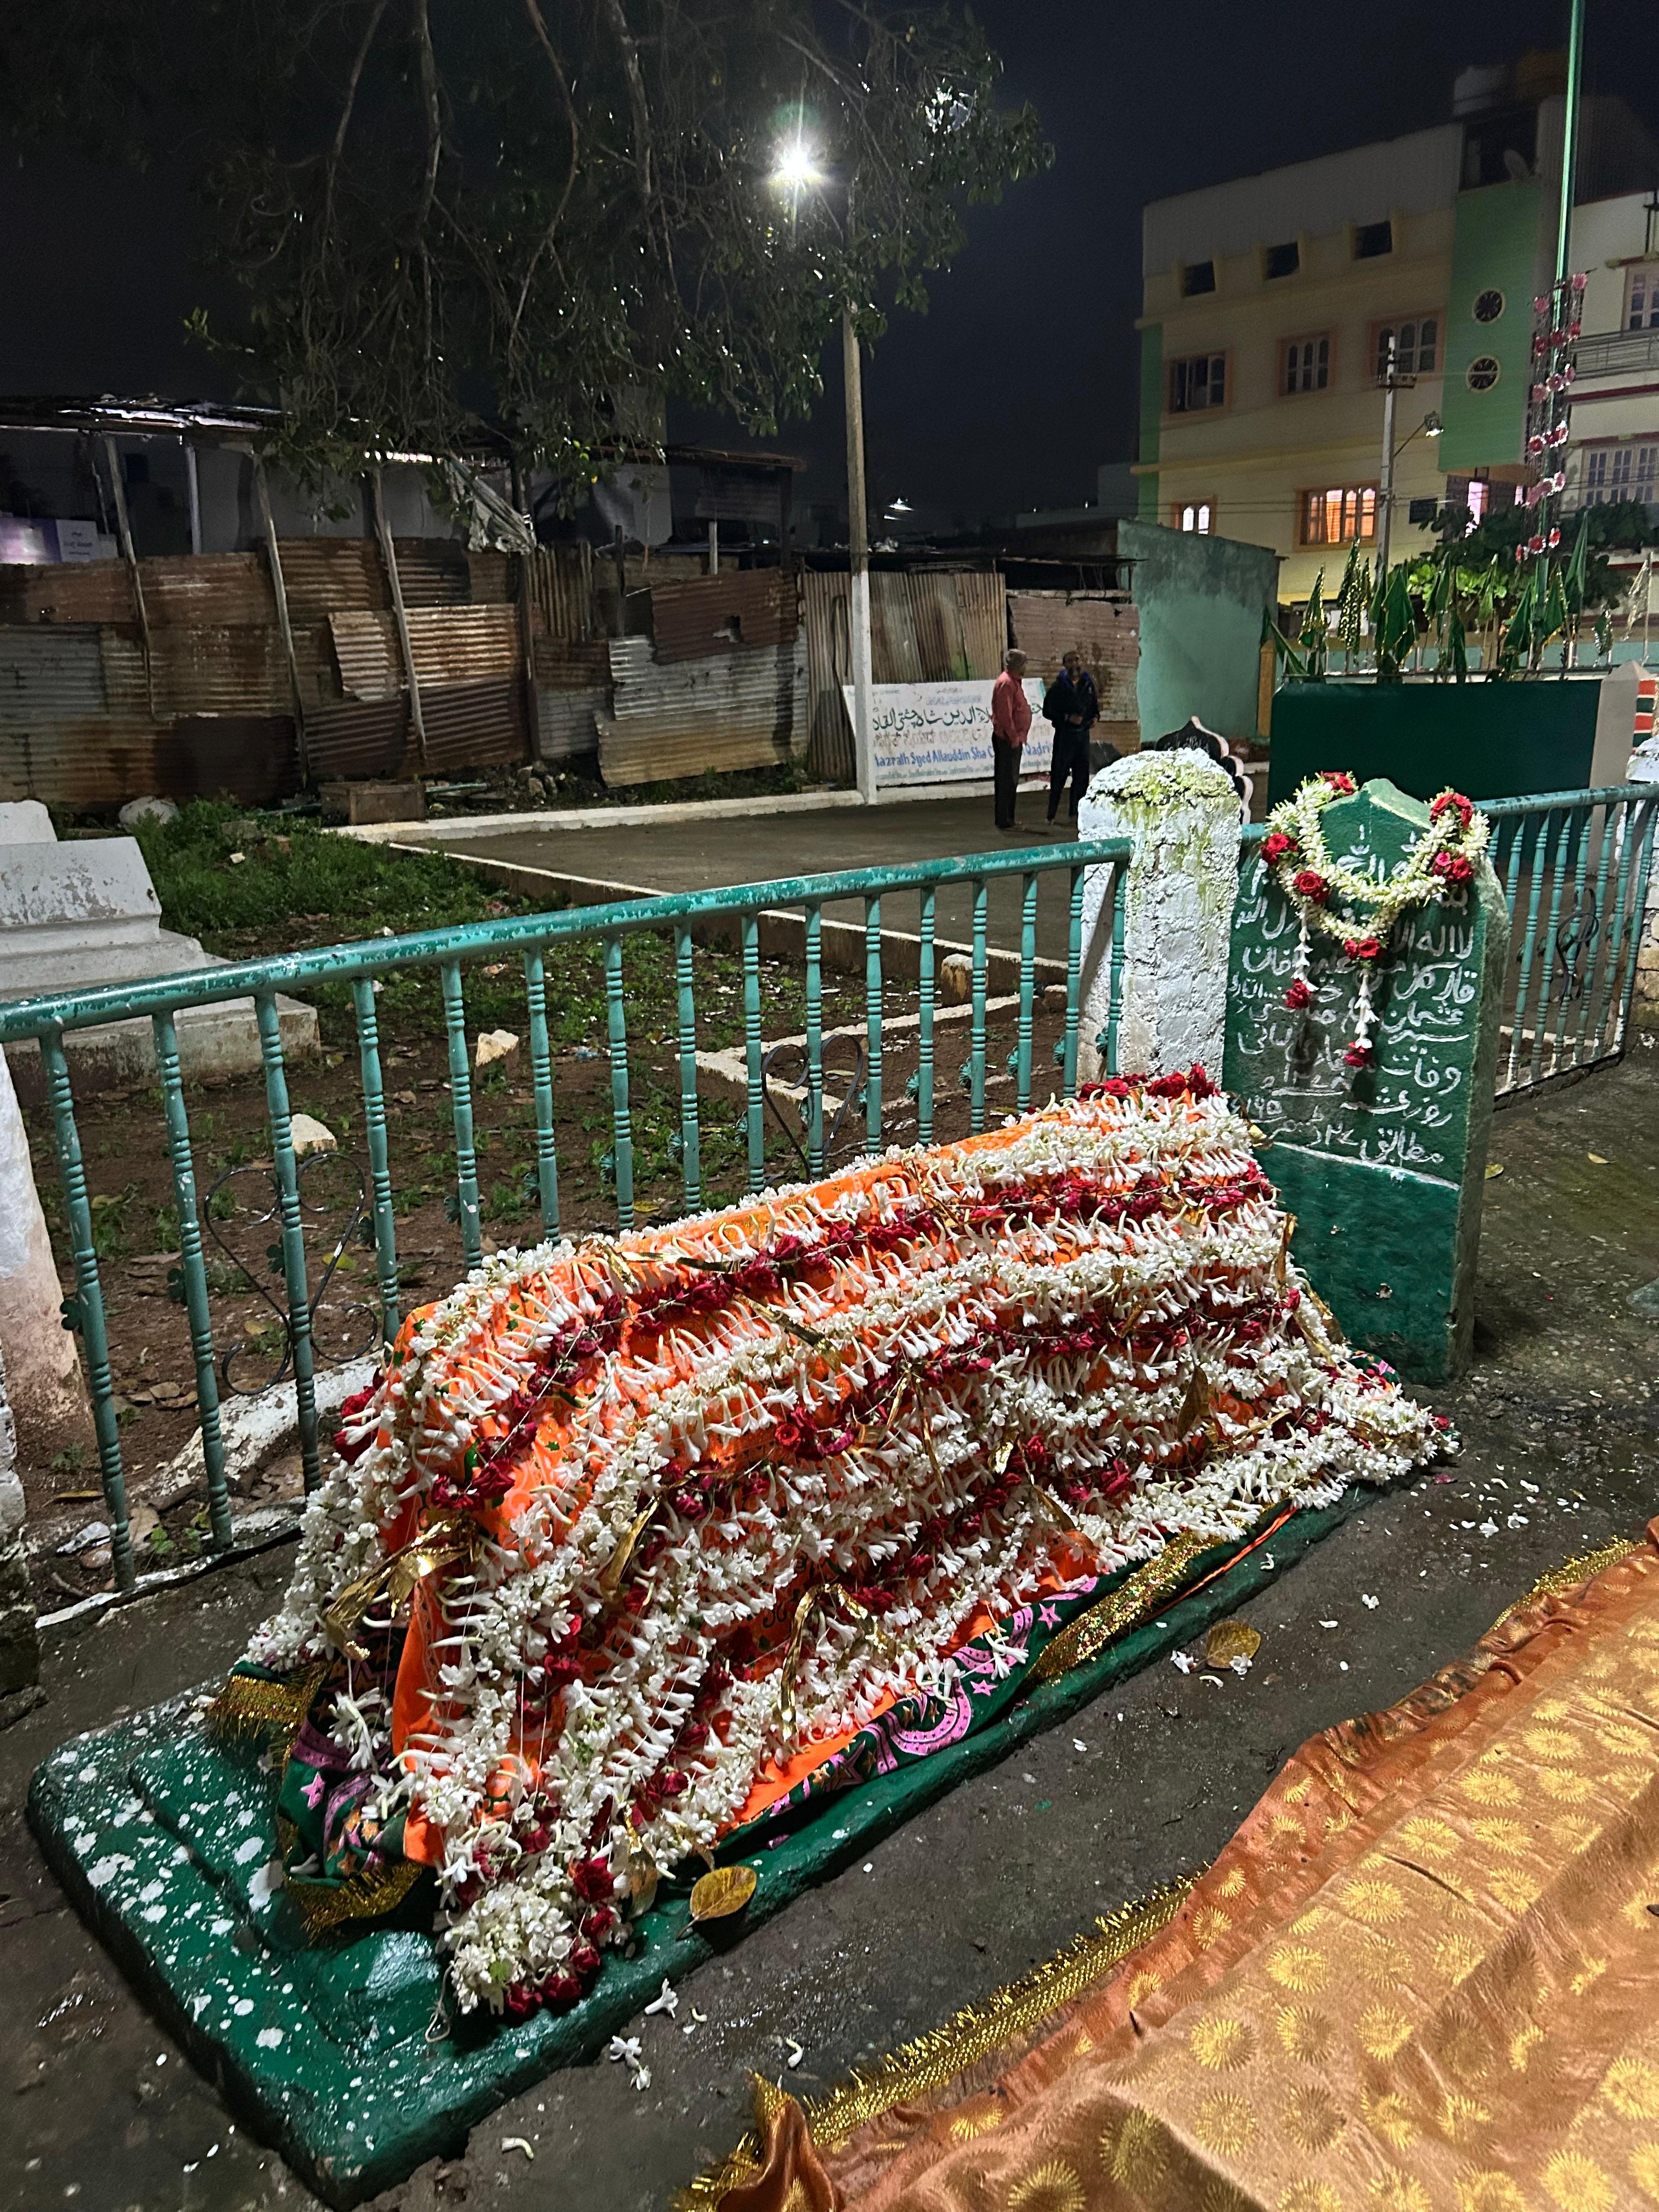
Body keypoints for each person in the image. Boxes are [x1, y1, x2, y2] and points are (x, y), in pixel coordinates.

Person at [1041, 649, 1099, 829]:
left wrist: (1095, 719)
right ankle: (1051, 815)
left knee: (1081, 778)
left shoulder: (1088, 685)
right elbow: (1047, 711)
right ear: (1065, 665)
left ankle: (1076, 814)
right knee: (1059, 776)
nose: (1075, 664)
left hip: (1082, 738)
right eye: (1070, 661)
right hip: (1065, 738)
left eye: (1077, 660)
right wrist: (1067, 718)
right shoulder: (1059, 687)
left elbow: (1095, 709)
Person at [990, 648, 1031, 832]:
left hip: (1014, 738)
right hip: (1007, 739)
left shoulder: (1015, 682)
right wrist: (1014, 737)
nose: (1025, 667)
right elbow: (1005, 716)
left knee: (1011, 779)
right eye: (1023, 664)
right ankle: (1005, 820)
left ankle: (1009, 818)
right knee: (1007, 779)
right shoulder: (1006, 684)